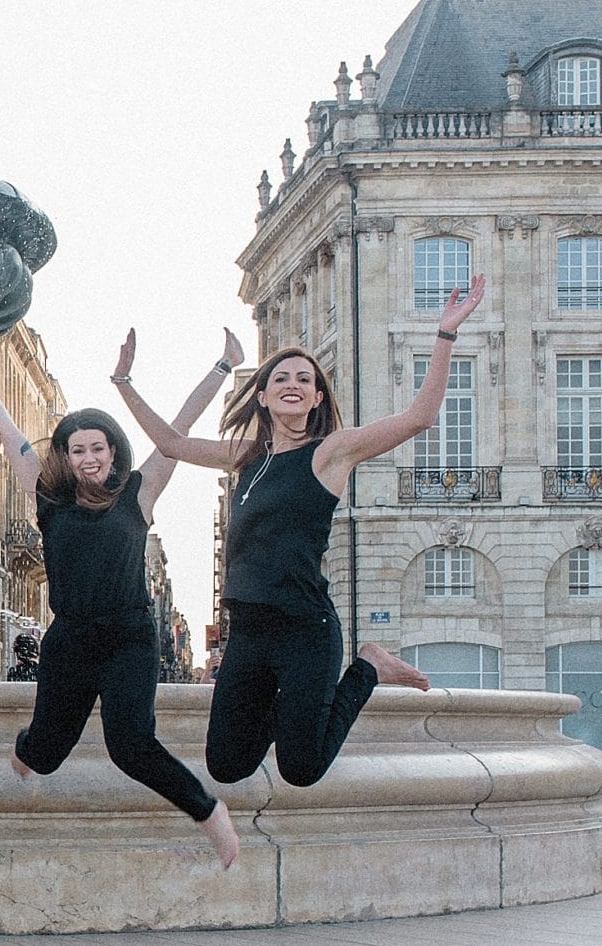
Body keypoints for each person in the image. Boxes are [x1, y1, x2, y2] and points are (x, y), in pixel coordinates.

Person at [114, 274, 486, 788]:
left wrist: (445, 334)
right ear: (262, 396)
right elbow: (172, 444)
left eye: (305, 380)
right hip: (248, 633)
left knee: (301, 768)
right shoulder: (246, 457)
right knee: (226, 763)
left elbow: (420, 418)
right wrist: (124, 384)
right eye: (281, 378)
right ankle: (294, 707)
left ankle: (368, 669)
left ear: (315, 399)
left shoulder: (331, 453)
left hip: (305, 630)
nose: (293, 384)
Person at [0, 334, 242, 868]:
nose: (88, 458)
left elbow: (178, 428)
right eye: (77, 449)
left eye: (98, 448)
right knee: (42, 754)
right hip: (69, 641)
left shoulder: (141, 490)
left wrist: (223, 366)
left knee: (131, 744)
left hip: (128, 638)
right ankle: (24, 752)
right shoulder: (48, 494)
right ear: (65, 455)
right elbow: (10, 432)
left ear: (113, 452)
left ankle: (210, 813)